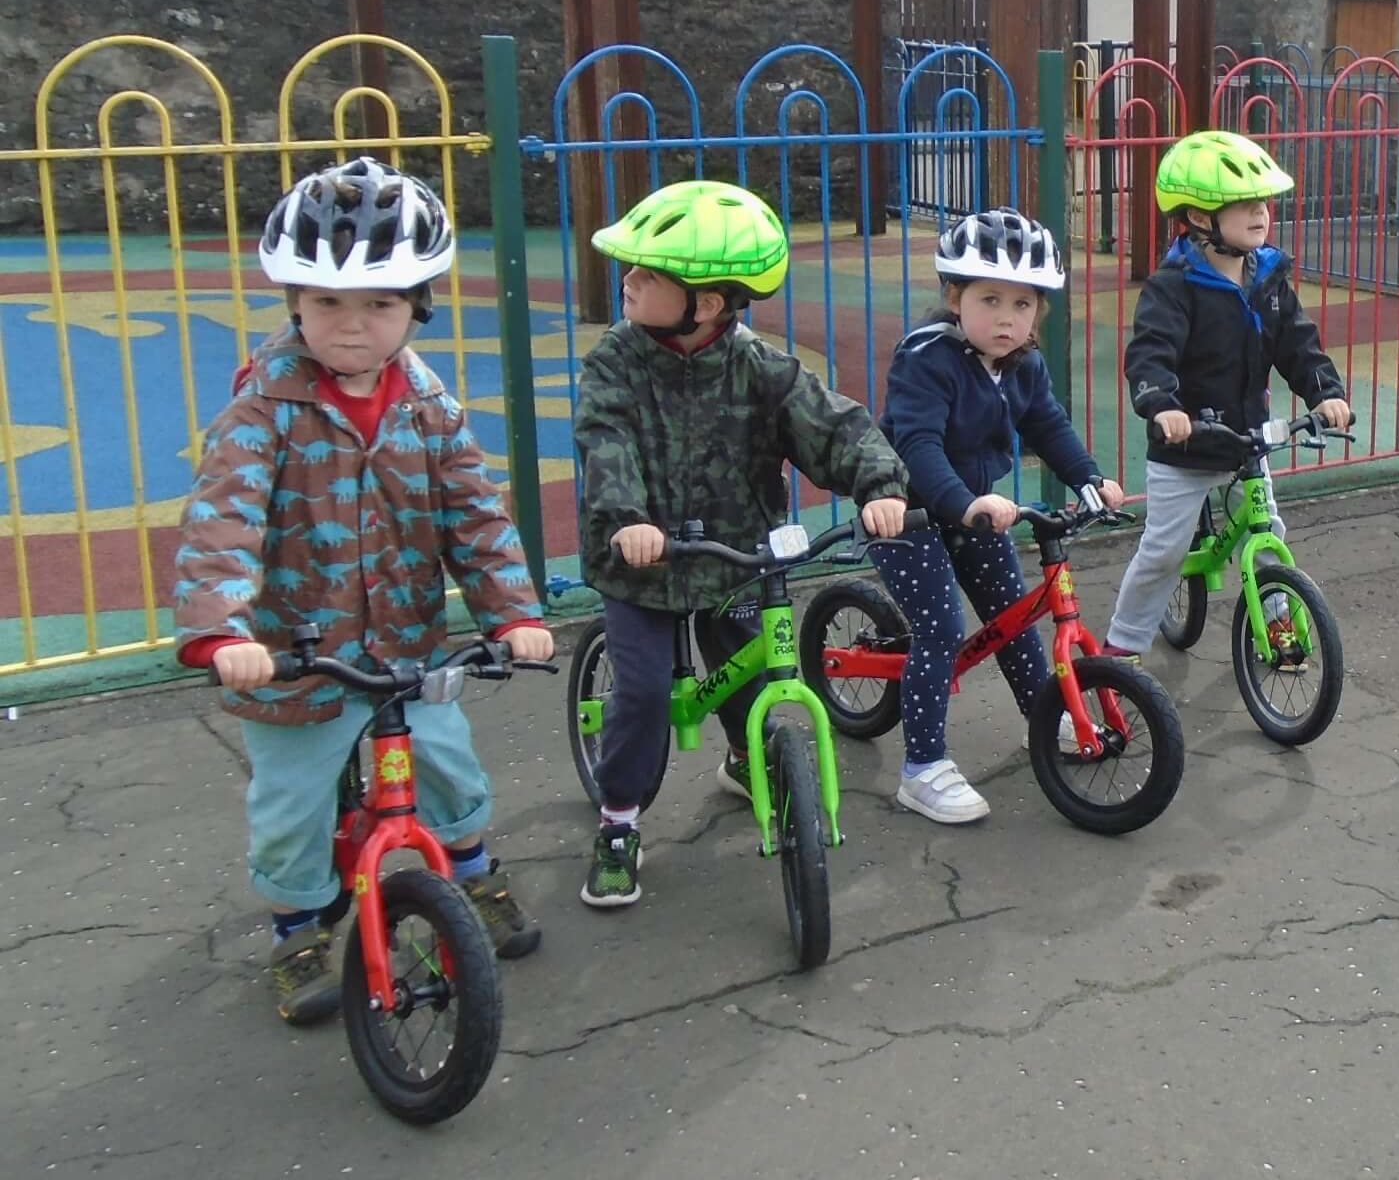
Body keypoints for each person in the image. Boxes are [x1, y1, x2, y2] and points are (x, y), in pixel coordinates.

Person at [173, 156, 552, 1024]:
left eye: (379, 305)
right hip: (295, 661)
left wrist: (515, 615)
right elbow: (223, 521)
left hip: (406, 650)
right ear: (294, 303)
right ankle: (297, 929)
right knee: (290, 803)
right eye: (328, 304)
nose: (352, 327)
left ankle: (474, 872)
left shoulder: (430, 408)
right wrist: (222, 634)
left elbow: (475, 516)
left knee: (450, 767)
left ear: (416, 306)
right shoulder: (262, 410)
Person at [573, 180, 908, 908]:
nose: (628, 281)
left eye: (648, 274)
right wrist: (626, 516)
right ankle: (619, 823)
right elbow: (605, 441)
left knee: (750, 670)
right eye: (632, 268)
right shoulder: (615, 363)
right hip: (643, 565)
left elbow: (833, 424)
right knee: (641, 696)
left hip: (734, 557)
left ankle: (743, 753)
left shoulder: (760, 367)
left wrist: (880, 485)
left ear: (710, 301)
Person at [872, 209, 1124, 823]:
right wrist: (964, 503)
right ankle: (923, 768)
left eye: (1023, 304)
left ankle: (1045, 716)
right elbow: (919, 446)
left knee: (1012, 617)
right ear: (954, 296)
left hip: (977, 514)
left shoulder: (1023, 363)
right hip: (908, 515)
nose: (1007, 318)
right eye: (990, 300)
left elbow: (1048, 426)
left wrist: (1090, 479)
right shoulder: (926, 358)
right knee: (938, 630)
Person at [1102, 131, 1350, 660]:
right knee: (1164, 553)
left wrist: (1325, 393)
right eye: (1241, 204)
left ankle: (1279, 626)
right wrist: (1163, 405)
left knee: (1267, 534)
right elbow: (1150, 355)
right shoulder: (1173, 288)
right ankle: (1120, 649)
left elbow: (1300, 347)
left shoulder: (1268, 279)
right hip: (1185, 449)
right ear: (1197, 217)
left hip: (1247, 442)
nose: (1260, 212)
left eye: (1262, 201)